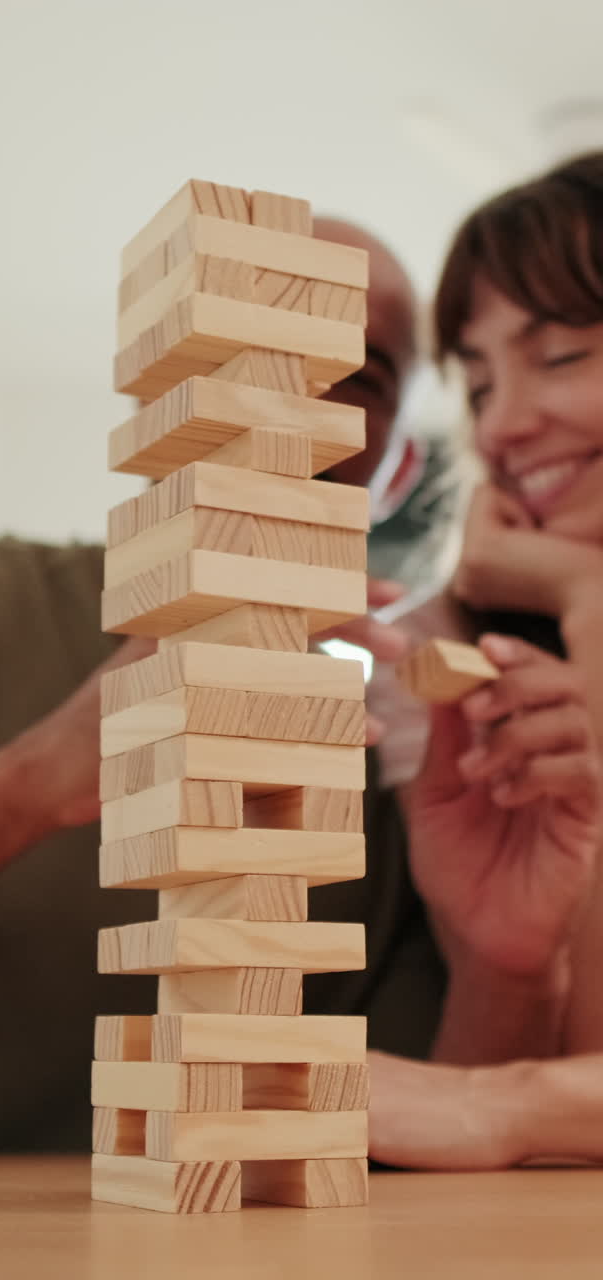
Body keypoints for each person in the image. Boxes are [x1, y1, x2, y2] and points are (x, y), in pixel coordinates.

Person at [0, 220, 431, 1153]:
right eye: (253, 347)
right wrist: (34, 778)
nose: (293, 400)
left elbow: (428, 1137)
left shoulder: (408, 763)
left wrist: (515, 968)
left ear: (398, 468)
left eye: (357, 375)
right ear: (164, 387)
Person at [367, 151, 603, 1169]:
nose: (501, 424)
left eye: (561, 357)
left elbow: (484, 1107)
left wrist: (509, 1108)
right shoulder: (436, 654)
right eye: (475, 380)